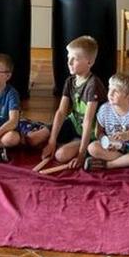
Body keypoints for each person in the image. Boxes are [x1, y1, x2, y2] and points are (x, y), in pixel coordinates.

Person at [41, 36, 106, 169]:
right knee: (33, 139)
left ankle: (83, 147)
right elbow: (61, 112)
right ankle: (63, 141)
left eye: (74, 59)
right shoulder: (70, 81)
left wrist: (81, 155)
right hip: (74, 123)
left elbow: (88, 121)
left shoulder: (93, 85)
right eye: (68, 57)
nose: (69, 62)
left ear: (89, 62)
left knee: (61, 155)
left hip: (90, 132)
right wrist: (51, 141)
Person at [85, 72, 129, 172]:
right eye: (110, 89)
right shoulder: (104, 109)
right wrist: (106, 141)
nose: (110, 93)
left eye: (116, 91)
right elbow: (99, 132)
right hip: (113, 149)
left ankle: (110, 164)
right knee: (92, 148)